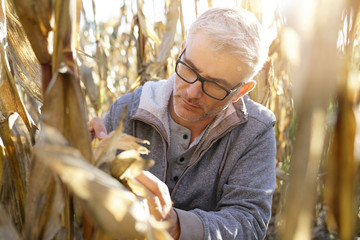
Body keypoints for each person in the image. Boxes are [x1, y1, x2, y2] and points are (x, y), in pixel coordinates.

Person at [89, 7, 276, 240]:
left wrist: (177, 225)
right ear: (181, 50)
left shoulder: (256, 130)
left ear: (241, 91)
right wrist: (80, 147)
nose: (192, 93)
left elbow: (249, 222)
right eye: (189, 69)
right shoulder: (126, 111)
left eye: (215, 85)